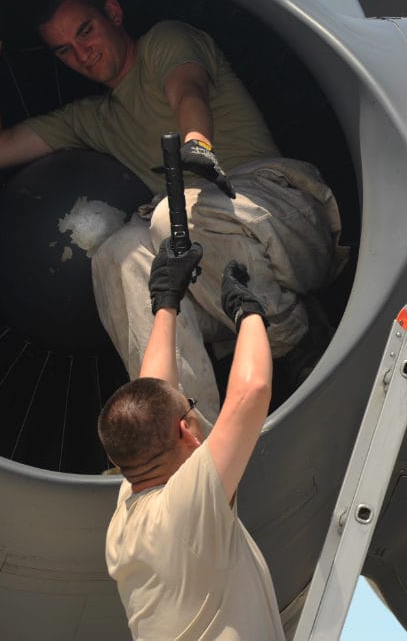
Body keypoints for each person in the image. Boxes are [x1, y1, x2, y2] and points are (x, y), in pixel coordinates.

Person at [0, 0, 347, 418]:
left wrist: (197, 143)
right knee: (118, 253)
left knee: (172, 216)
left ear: (114, 13)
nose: (83, 53)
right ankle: (182, 426)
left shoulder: (164, 41)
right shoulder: (92, 120)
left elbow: (187, 90)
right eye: (65, 50)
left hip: (281, 215)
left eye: (86, 31)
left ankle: (298, 340)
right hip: (217, 275)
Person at [98, 240, 286, 641]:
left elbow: (153, 394)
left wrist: (165, 303)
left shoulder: (129, 511)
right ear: (186, 430)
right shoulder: (187, 509)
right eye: (192, 407)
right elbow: (251, 391)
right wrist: (248, 312)